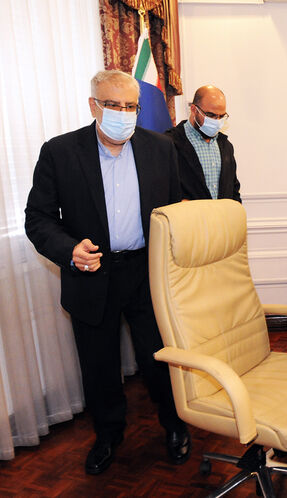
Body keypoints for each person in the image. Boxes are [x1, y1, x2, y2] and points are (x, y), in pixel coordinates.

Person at [25, 70, 189, 475]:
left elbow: (174, 211)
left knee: (160, 359)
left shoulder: (160, 149)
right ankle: (108, 435)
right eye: (113, 105)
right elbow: (38, 218)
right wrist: (69, 250)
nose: (123, 113)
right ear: (93, 106)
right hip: (90, 274)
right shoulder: (60, 152)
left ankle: (175, 426)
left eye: (130, 106)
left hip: (147, 274)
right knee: (99, 366)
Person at [165, 85, 241, 201]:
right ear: (194, 109)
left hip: (222, 213)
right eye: (211, 115)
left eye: (221, 116)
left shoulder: (226, 146)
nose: (217, 121)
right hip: (187, 213)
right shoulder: (169, 143)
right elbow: (162, 189)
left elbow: (233, 190)